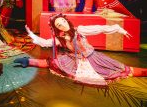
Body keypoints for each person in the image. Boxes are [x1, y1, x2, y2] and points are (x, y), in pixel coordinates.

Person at [14, 13, 147, 86]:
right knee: (53, 63)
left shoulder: (80, 30)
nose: (62, 25)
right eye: (59, 24)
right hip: (76, 59)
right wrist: (31, 34)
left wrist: (118, 29)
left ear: (67, 21)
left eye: (63, 22)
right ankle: (28, 61)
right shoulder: (60, 39)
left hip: (92, 58)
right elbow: (44, 43)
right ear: (57, 28)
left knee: (120, 70)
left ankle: (144, 72)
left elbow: (100, 28)